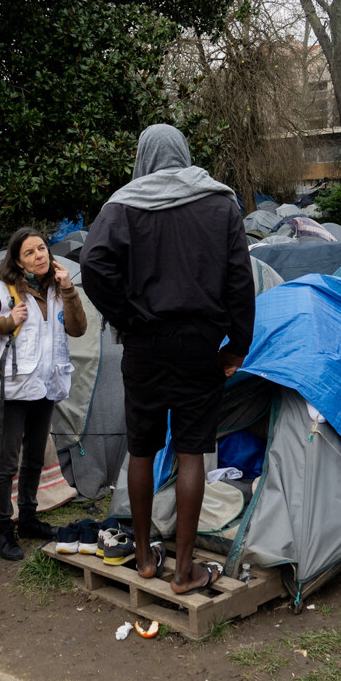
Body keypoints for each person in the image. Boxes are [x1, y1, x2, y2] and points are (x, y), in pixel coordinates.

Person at [80, 124, 254, 594]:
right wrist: (238, 344)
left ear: (143, 157)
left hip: (143, 344)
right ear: (183, 153)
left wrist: (126, 316)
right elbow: (241, 278)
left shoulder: (123, 205)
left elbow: (92, 263)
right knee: (191, 450)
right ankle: (184, 571)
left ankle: (143, 558)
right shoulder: (219, 202)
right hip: (200, 344)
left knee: (142, 447)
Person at [0, 228, 88, 560]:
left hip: (45, 386)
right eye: (29, 252)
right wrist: (6, 322)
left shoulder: (59, 288)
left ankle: (28, 519)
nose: (39, 255)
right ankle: (3, 530)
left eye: (41, 248)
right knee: (7, 461)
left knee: (34, 458)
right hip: (12, 390)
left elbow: (78, 329)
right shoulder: (2, 290)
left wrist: (70, 289)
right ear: (17, 260)